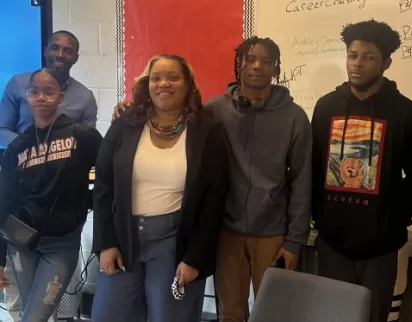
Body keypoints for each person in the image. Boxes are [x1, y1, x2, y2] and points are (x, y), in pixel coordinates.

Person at [112, 38, 312, 322]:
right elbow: (173, 114)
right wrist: (130, 111)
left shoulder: (294, 117)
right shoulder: (215, 110)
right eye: (250, 59)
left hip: (272, 231)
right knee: (230, 311)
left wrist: (295, 240)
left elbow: (303, 180)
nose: (257, 66)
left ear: (277, 68)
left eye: (267, 61)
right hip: (226, 231)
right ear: (238, 65)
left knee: (276, 311)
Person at [91, 54, 227, 322]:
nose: (163, 84)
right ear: (147, 84)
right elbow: (103, 187)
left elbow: (214, 199)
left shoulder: (206, 129)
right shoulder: (125, 123)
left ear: (188, 84)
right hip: (123, 239)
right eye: (156, 78)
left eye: (173, 77)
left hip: (175, 242)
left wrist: (195, 258)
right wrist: (105, 243)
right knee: (110, 315)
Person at [311, 20, 412, 322]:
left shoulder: (407, 112)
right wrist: (319, 217)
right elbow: (312, 166)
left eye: (368, 57)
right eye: (352, 55)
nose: (357, 64)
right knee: (333, 317)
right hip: (332, 243)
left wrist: (391, 220)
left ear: (386, 62)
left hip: (382, 248)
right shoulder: (325, 107)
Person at [0, 30, 97, 322]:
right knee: (28, 312)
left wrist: (85, 203)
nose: (41, 97)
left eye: (49, 92)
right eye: (35, 92)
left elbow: (105, 175)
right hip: (20, 240)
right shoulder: (17, 146)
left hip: (61, 240)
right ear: (26, 97)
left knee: (35, 316)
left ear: (61, 97)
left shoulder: (83, 134)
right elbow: (4, 201)